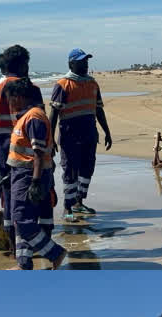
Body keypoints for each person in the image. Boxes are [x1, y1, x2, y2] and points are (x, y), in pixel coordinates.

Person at [4, 79, 66, 270]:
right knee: (22, 220)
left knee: (22, 220)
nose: (9, 103)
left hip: (28, 175)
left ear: (19, 97)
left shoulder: (34, 118)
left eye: (10, 99)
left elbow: (38, 153)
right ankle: (24, 262)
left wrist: (36, 181)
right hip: (20, 174)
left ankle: (54, 252)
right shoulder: (25, 117)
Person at [49, 48, 112, 223]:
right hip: (70, 136)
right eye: (81, 61)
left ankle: (79, 202)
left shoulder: (93, 83)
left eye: (86, 61)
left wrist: (107, 131)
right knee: (70, 170)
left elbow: (98, 109)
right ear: (71, 64)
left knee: (87, 169)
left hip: (90, 134)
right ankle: (67, 208)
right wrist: (50, 138)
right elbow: (53, 113)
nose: (85, 64)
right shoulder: (62, 85)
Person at [0, 44, 30, 254]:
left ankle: (9, 243)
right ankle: (26, 241)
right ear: (21, 65)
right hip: (22, 148)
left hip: (0, 149)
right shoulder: (26, 88)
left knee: (7, 194)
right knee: (24, 195)